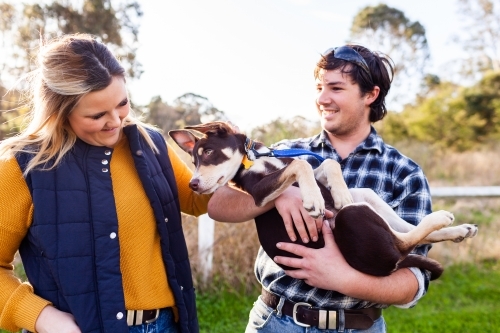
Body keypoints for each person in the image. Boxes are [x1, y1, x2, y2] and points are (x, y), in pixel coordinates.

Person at [208, 44, 433, 332]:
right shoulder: (283, 153)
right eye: (319, 87)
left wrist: (340, 277)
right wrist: (281, 190)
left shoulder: (404, 173)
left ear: (371, 95)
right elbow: (218, 204)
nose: (322, 99)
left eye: (336, 88)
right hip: (275, 322)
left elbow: (413, 281)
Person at [0, 34, 212, 333]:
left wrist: (248, 169)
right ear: (61, 112)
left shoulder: (148, 144)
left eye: (122, 103)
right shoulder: (23, 165)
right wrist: (44, 318)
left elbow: (199, 198)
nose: (115, 121)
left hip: (166, 325)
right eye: (97, 115)